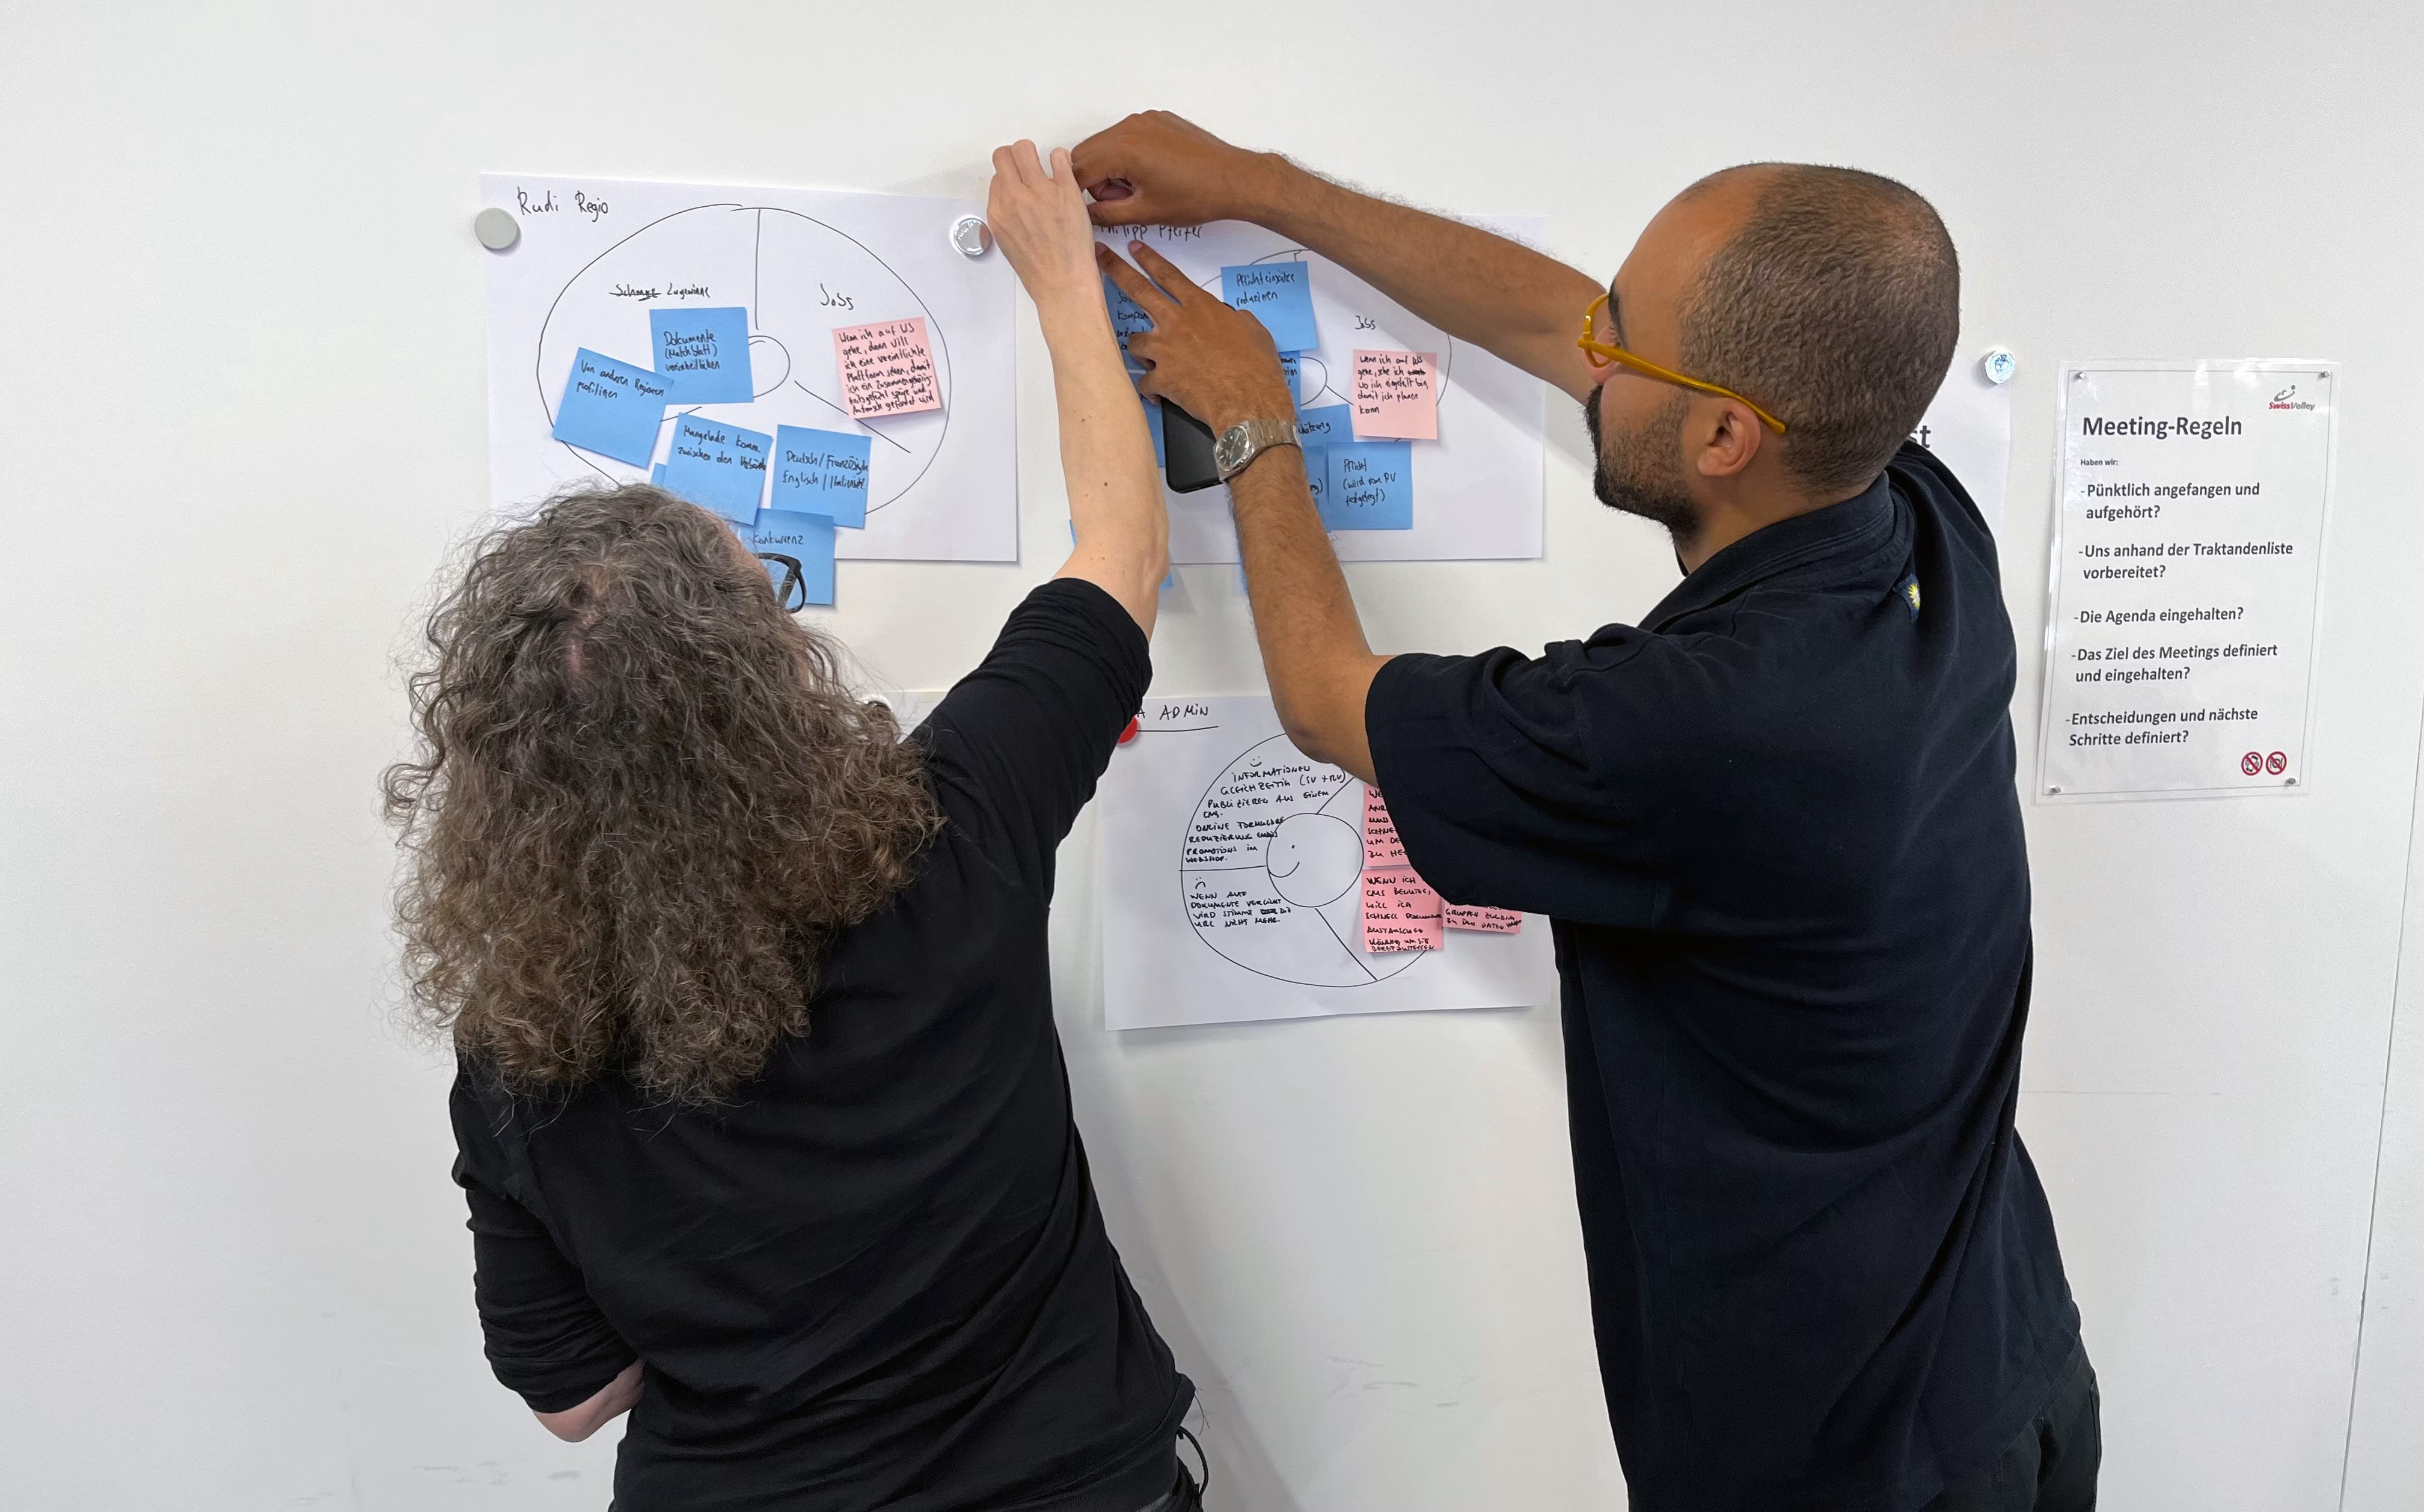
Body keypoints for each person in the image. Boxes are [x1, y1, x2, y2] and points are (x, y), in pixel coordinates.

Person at [1077, 112, 2096, 1511]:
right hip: (2011, 1369)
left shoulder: (1696, 725)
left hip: (1840, 1466)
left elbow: (1325, 697)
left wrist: (1252, 415)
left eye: (1625, 345)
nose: (1588, 351)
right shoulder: (1917, 513)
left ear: (1730, 434)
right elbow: (1562, 318)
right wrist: (1261, 191)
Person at [385, 142, 1203, 1512]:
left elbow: (575, 1398)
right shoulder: (947, 829)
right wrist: (1064, 280)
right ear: (771, 685)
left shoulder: (515, 1043)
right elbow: (1122, 552)